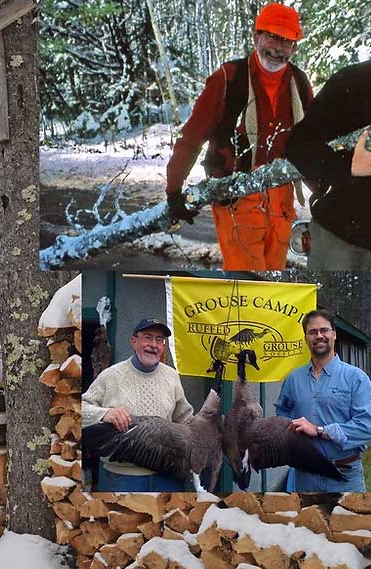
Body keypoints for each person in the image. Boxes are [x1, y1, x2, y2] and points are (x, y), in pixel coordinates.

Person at [165, 3, 313, 270]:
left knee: (273, 276)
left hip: (282, 196)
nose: (278, 47)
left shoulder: (299, 82)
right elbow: (192, 137)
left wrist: (323, 192)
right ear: (256, 36)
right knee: (247, 277)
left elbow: (312, 140)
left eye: (287, 41)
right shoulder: (228, 78)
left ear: (295, 47)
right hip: (237, 193)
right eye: (273, 36)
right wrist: (174, 190)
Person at [82, 318, 193, 491]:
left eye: (159, 340)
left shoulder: (172, 377)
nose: (153, 345)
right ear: (134, 342)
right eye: (147, 337)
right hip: (123, 479)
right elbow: (78, 410)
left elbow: (185, 420)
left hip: (168, 477)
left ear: (163, 346)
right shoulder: (110, 376)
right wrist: (104, 414)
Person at [285, 60, 371, 269]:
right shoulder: (353, 81)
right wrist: (349, 168)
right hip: (343, 242)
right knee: (328, 302)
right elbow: (298, 146)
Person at [275, 309, 371, 492]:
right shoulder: (293, 379)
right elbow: (282, 413)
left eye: (324, 330)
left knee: (348, 521)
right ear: (306, 338)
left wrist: (319, 431)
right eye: (313, 332)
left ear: (334, 334)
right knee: (307, 521)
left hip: (345, 477)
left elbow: (366, 426)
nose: (319, 336)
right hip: (305, 477)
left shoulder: (356, 378)